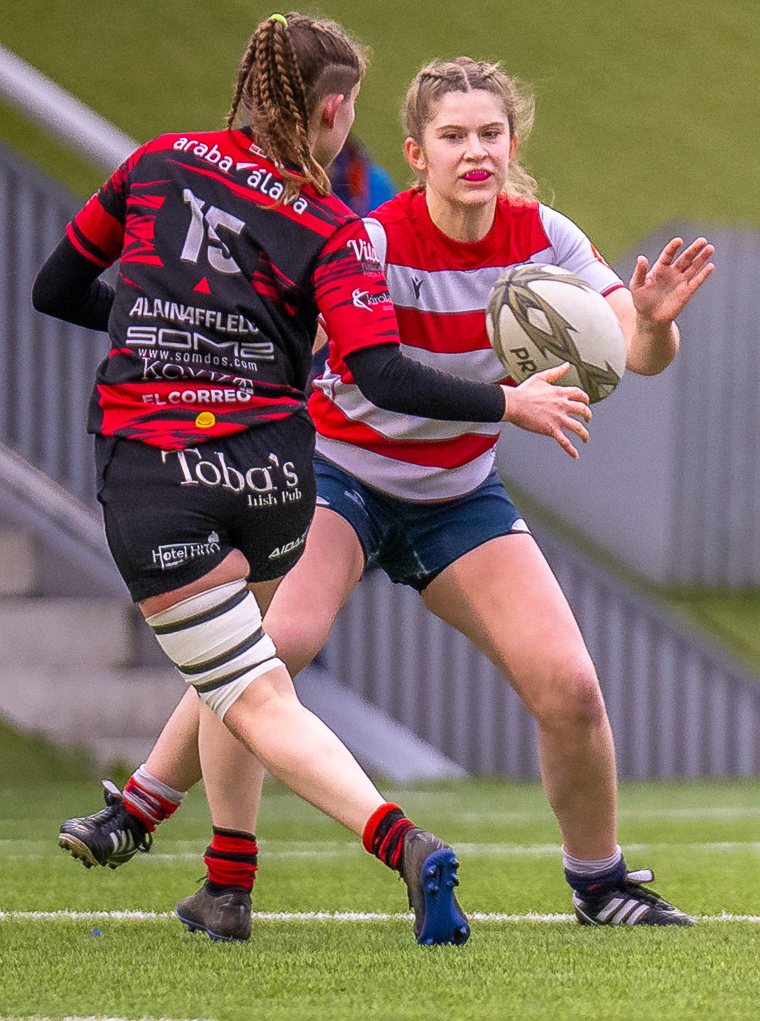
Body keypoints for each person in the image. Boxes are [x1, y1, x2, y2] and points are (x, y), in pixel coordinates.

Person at [59, 56, 714, 939]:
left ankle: (600, 883)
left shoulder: (546, 237)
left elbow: (631, 356)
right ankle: (194, 848)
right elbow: (357, 362)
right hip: (342, 474)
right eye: (453, 136)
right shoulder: (366, 239)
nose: (475, 151)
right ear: (417, 151)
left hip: (459, 494)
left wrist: (657, 321)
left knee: (570, 687)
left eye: (491, 134)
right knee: (275, 645)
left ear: (511, 143)